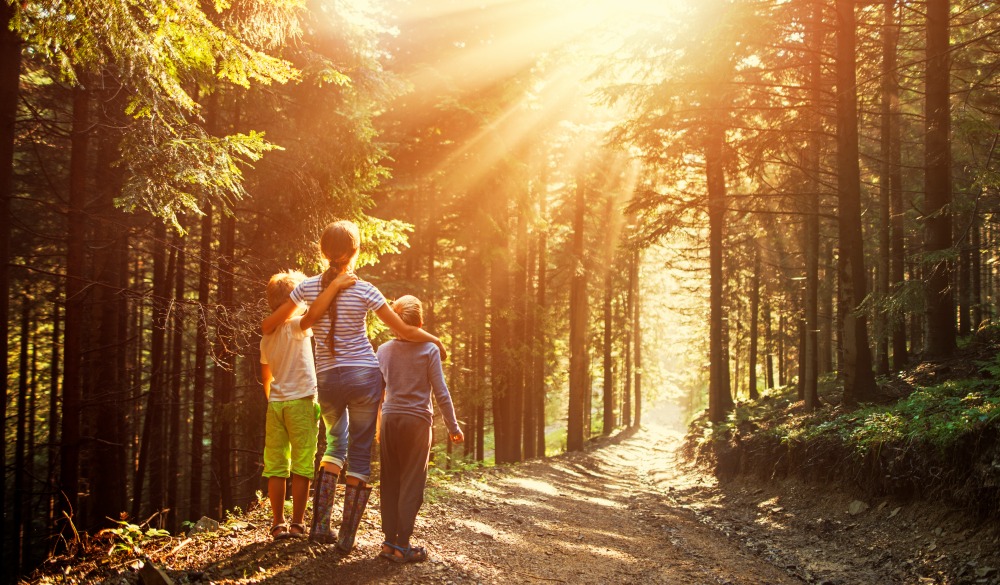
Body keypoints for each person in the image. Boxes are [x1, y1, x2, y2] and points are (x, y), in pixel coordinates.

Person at [262, 219, 447, 551]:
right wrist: (436, 341)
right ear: (355, 252)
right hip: (363, 375)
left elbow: (272, 325)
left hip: (328, 379)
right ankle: (346, 537)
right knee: (360, 456)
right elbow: (404, 332)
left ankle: (319, 526)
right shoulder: (365, 289)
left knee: (335, 445)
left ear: (323, 252)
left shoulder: (305, 289)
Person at [259, 269, 355, 539]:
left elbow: (266, 376)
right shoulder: (295, 326)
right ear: (294, 301)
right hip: (301, 402)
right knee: (302, 464)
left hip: (276, 405)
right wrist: (334, 286)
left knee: (276, 466)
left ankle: (278, 523)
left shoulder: (267, 336)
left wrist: (274, 400)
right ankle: (298, 523)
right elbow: (313, 317)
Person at [376, 295, 463, 563]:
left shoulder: (383, 350)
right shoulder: (430, 350)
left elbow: (377, 393)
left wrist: (376, 425)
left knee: (389, 480)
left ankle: (389, 543)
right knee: (412, 482)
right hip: (416, 423)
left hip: (390, 420)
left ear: (393, 323)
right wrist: (453, 426)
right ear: (421, 322)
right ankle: (403, 545)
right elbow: (441, 391)